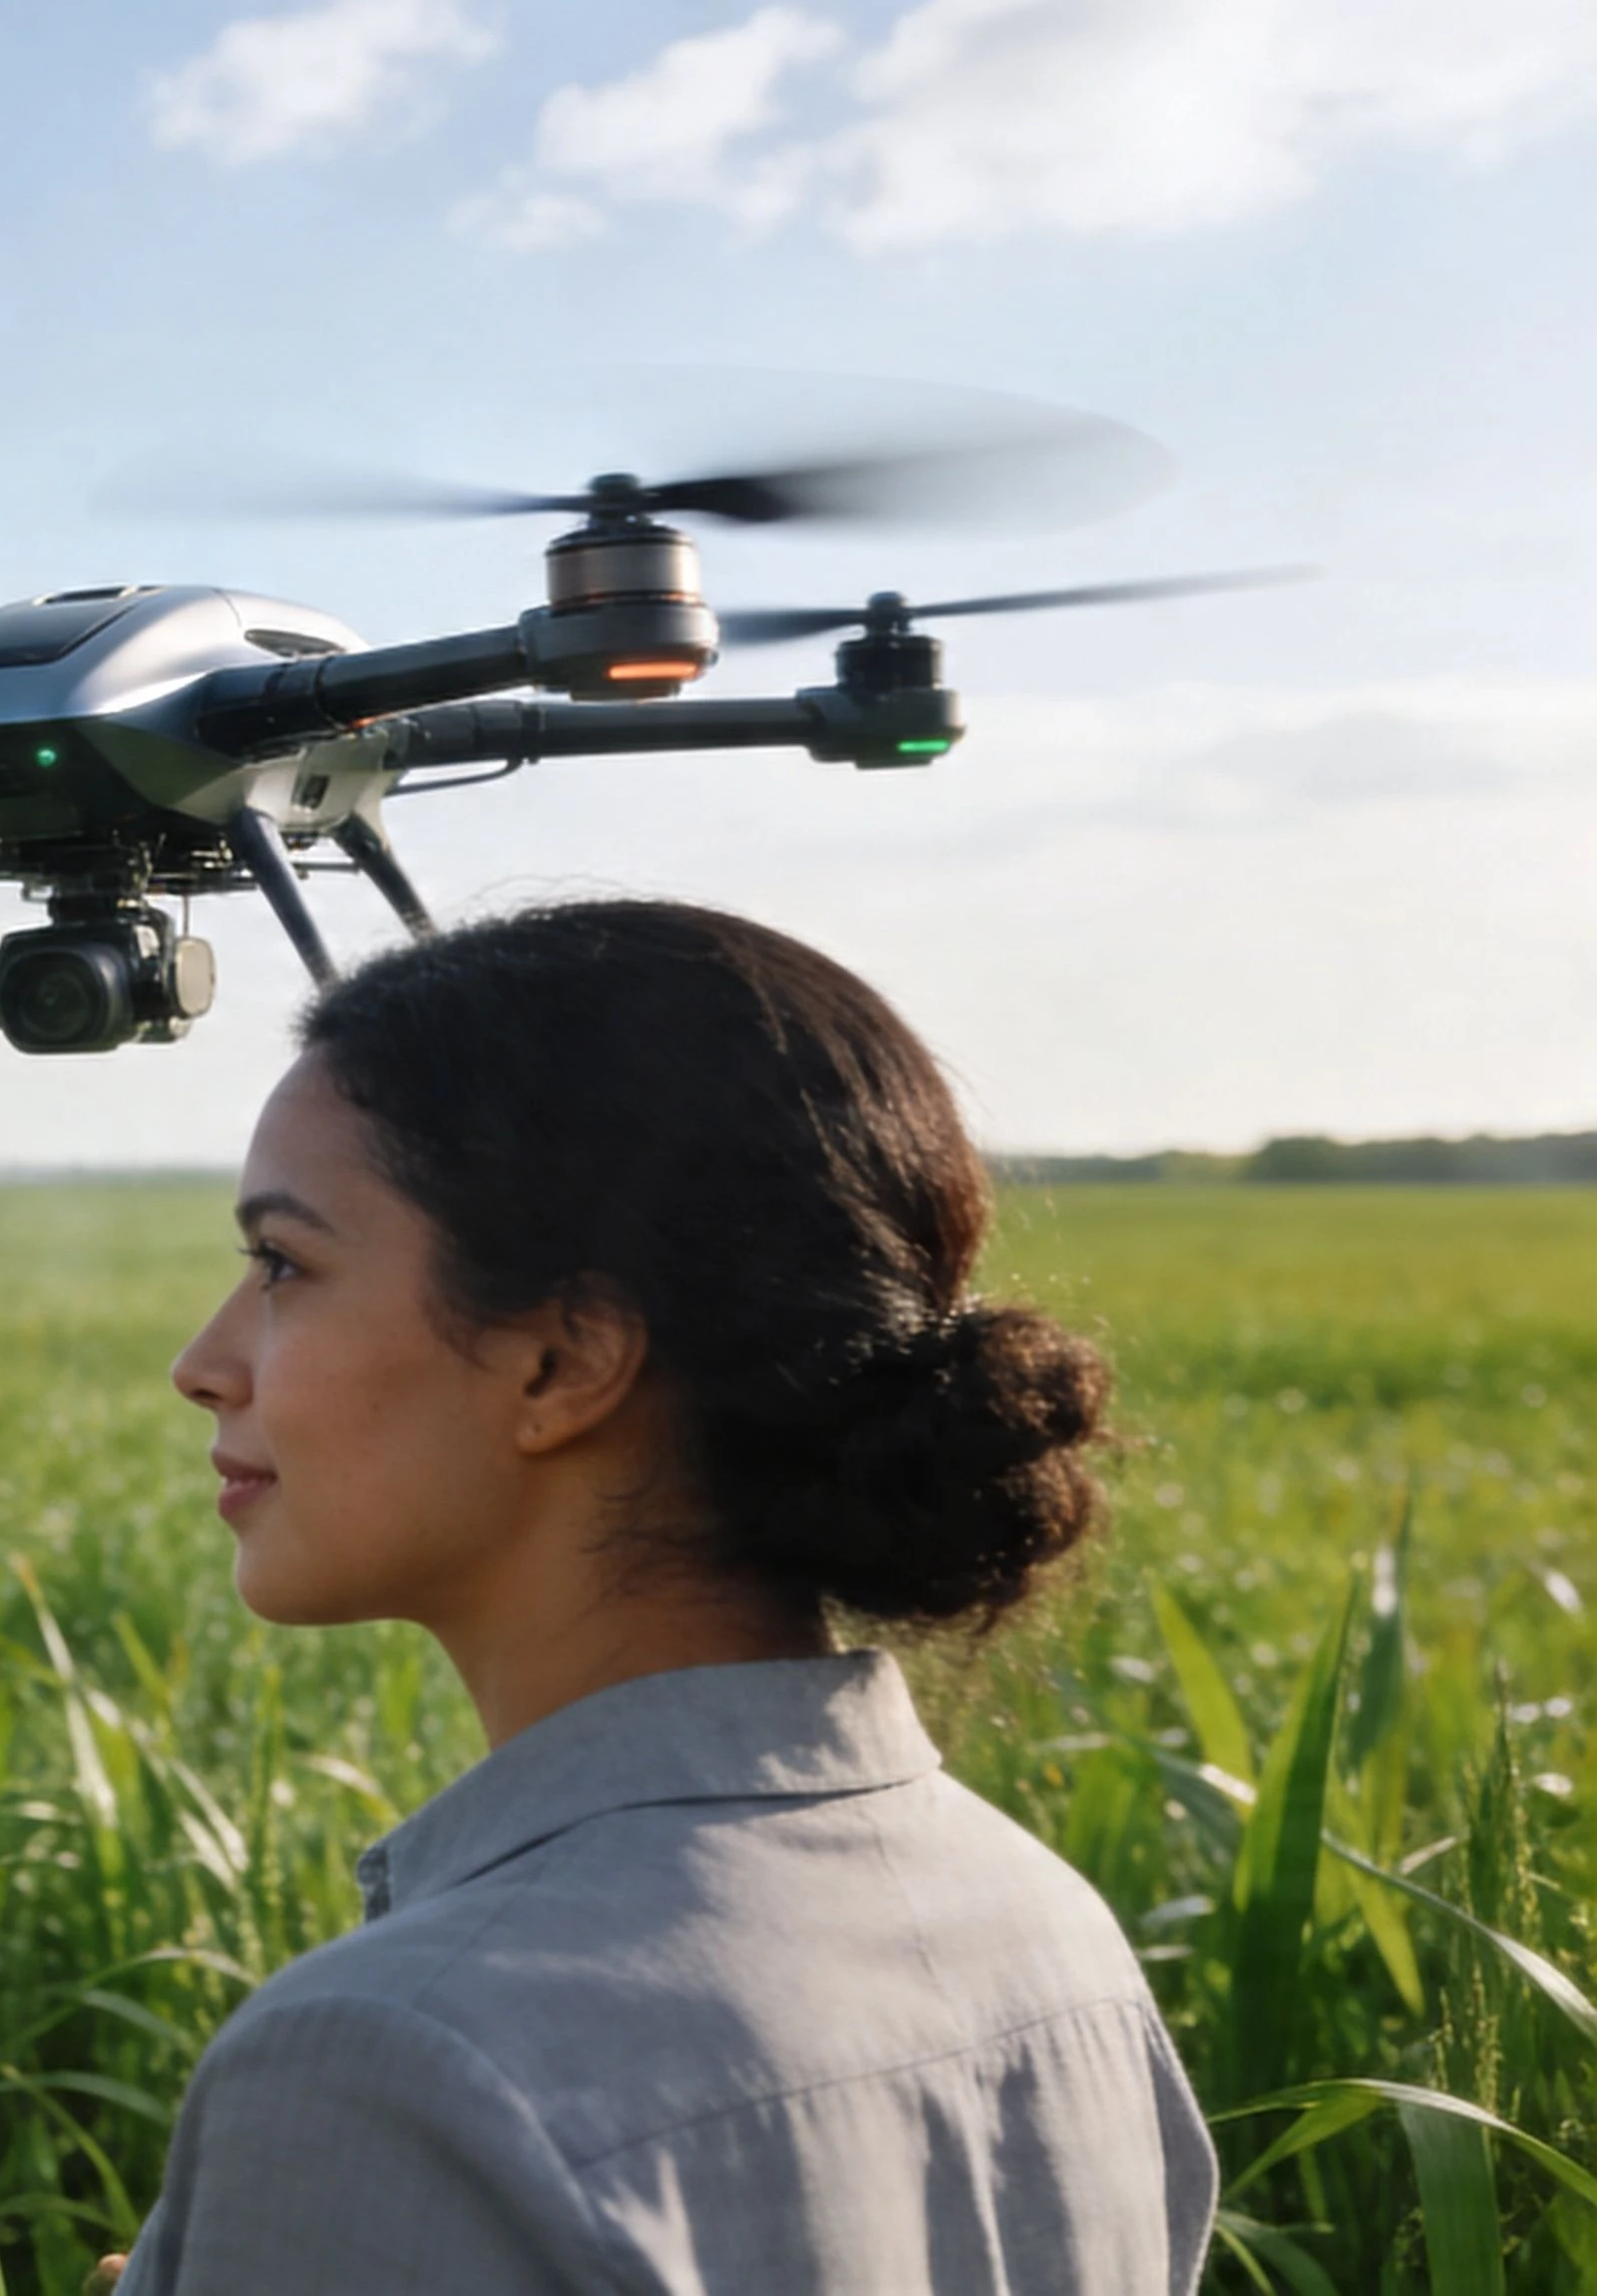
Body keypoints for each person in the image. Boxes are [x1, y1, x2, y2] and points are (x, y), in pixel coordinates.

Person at [126, 901, 1218, 2293]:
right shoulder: (1048, 1929)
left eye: (285, 1264)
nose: (206, 1363)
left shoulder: (400, 2059)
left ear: (564, 1362)